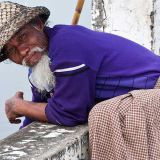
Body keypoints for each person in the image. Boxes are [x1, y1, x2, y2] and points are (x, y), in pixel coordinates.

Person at [1, 1, 160, 159]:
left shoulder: (67, 44)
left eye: (23, 37)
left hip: (154, 91)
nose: (22, 51)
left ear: (38, 24)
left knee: (102, 114)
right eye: (11, 50)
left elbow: (69, 113)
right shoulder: (40, 67)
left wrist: (18, 106)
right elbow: (38, 110)